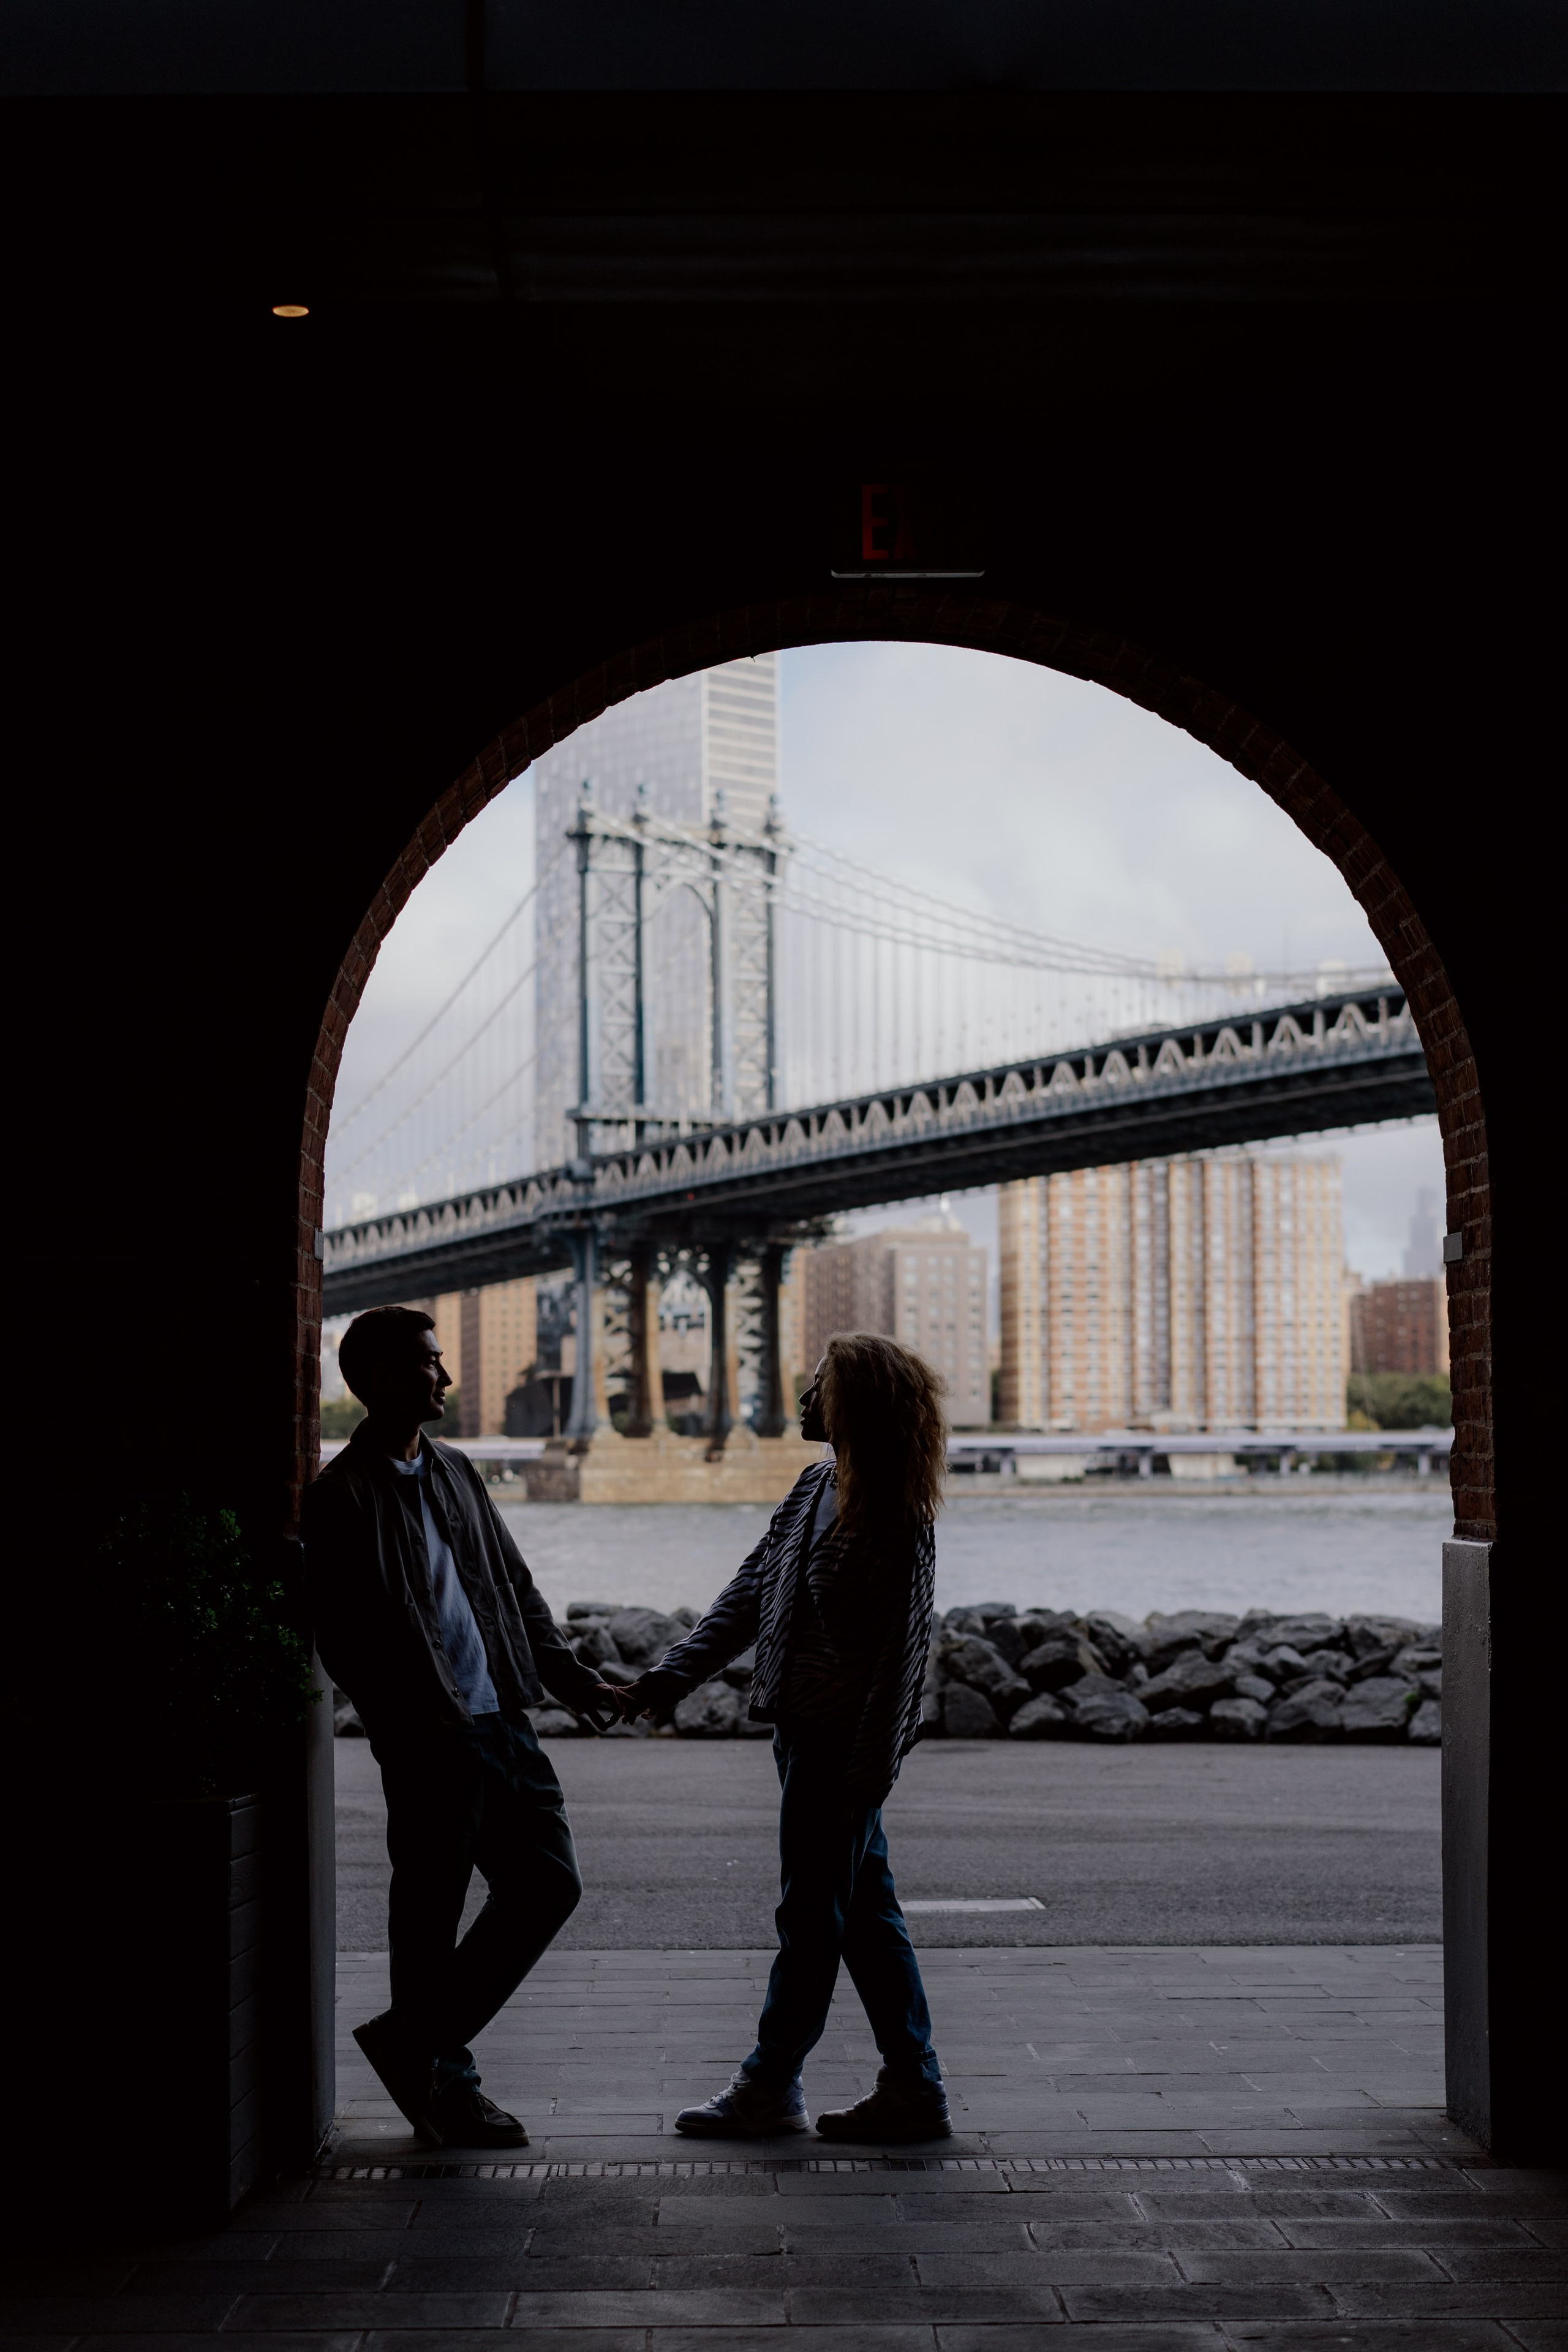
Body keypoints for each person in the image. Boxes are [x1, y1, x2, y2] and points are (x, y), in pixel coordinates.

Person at [612, 1330, 951, 2143]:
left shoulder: (894, 1509)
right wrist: (667, 1679)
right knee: (867, 1921)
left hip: (842, 1753)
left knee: (811, 1919)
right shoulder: (813, 1487)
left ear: (855, 1404)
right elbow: (746, 1595)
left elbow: (906, 1658)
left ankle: (771, 2084)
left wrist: (870, 1775)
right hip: (801, 1739)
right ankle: (914, 2087)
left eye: (820, 1387)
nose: (803, 1399)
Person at [303, 1305, 619, 2149]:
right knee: (429, 1913)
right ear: (369, 1383)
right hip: (431, 1738)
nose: (443, 1377)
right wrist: (409, 1724)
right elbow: (344, 1642)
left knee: (550, 1884)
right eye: (426, 1365)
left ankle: (415, 2042)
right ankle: (449, 2086)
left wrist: (566, 1676)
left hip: (504, 1720)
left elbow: (514, 1589)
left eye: (441, 1362)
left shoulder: (458, 1474)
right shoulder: (340, 1498)